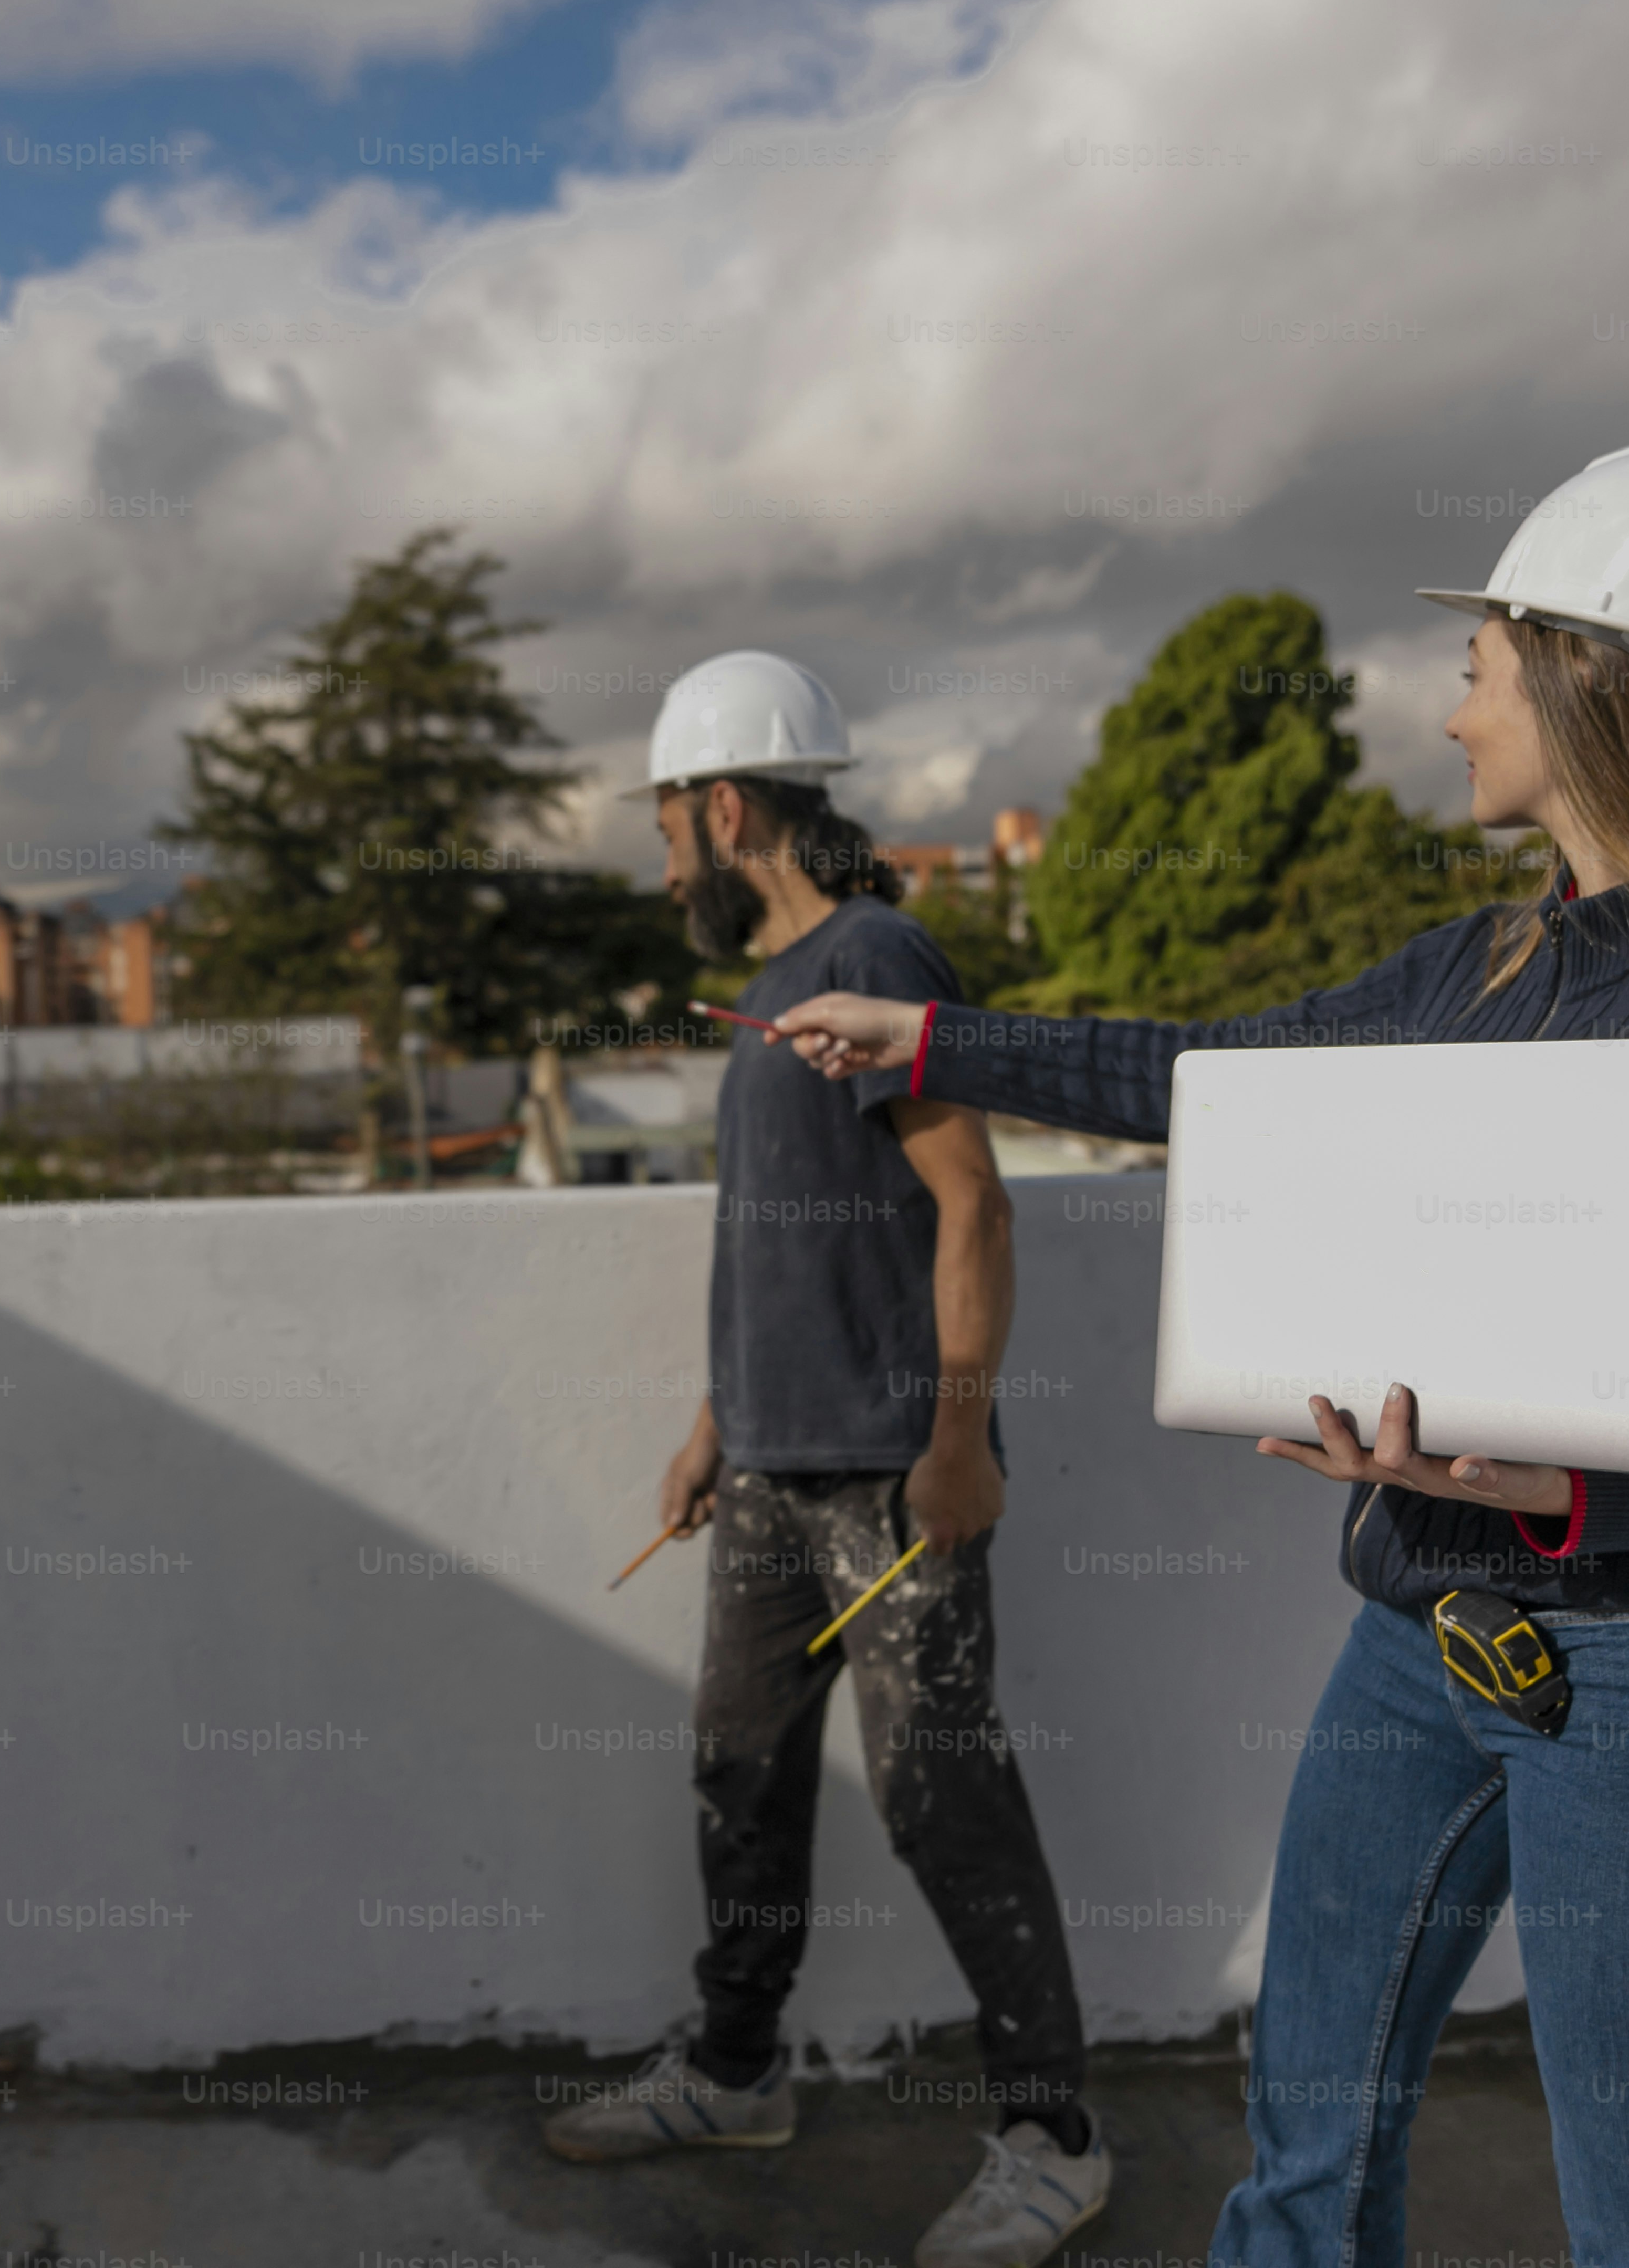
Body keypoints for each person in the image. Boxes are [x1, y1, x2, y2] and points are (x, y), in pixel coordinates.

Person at [777, 438, 1629, 2268]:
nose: (1452, 707)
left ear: (1583, 675)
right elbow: (1212, 1079)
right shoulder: (1468, 968)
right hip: (1417, 1634)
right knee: (1303, 2147)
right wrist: (927, 1042)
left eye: (1477, 664)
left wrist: (1546, 1484)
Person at [541, 652, 1110, 2268]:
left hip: (889, 1476)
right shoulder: (776, 989)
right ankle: (734, 2072)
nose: (662, 867)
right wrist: (716, 1426)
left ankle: (1051, 2134)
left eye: (666, 828)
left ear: (724, 809)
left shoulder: (875, 958)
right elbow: (773, 1239)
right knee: (740, 1772)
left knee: (941, 1797)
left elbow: (972, 1206)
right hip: (773, 1475)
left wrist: (954, 1443)